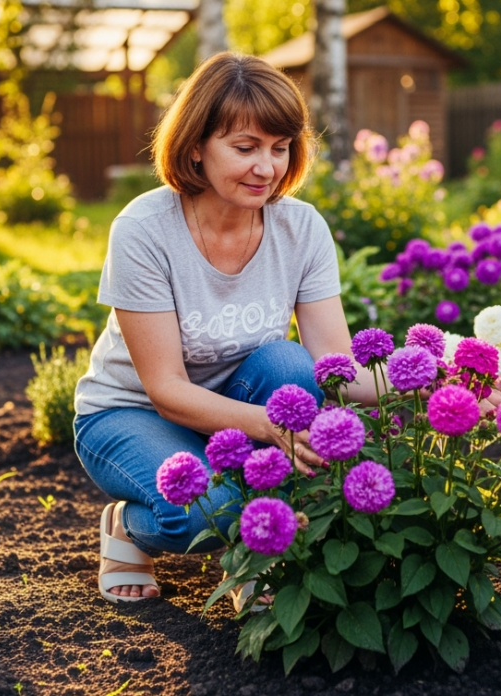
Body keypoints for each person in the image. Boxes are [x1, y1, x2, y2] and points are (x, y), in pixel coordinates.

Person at [72, 52, 378, 605]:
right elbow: (165, 390)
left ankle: (254, 556)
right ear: (195, 147)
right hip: (131, 412)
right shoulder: (144, 231)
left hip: (238, 403)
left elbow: (335, 363)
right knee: (202, 513)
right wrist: (268, 427)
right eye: (245, 148)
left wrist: (438, 384)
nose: (268, 168)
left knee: (291, 367)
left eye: (280, 148)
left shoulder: (300, 228)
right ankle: (126, 526)